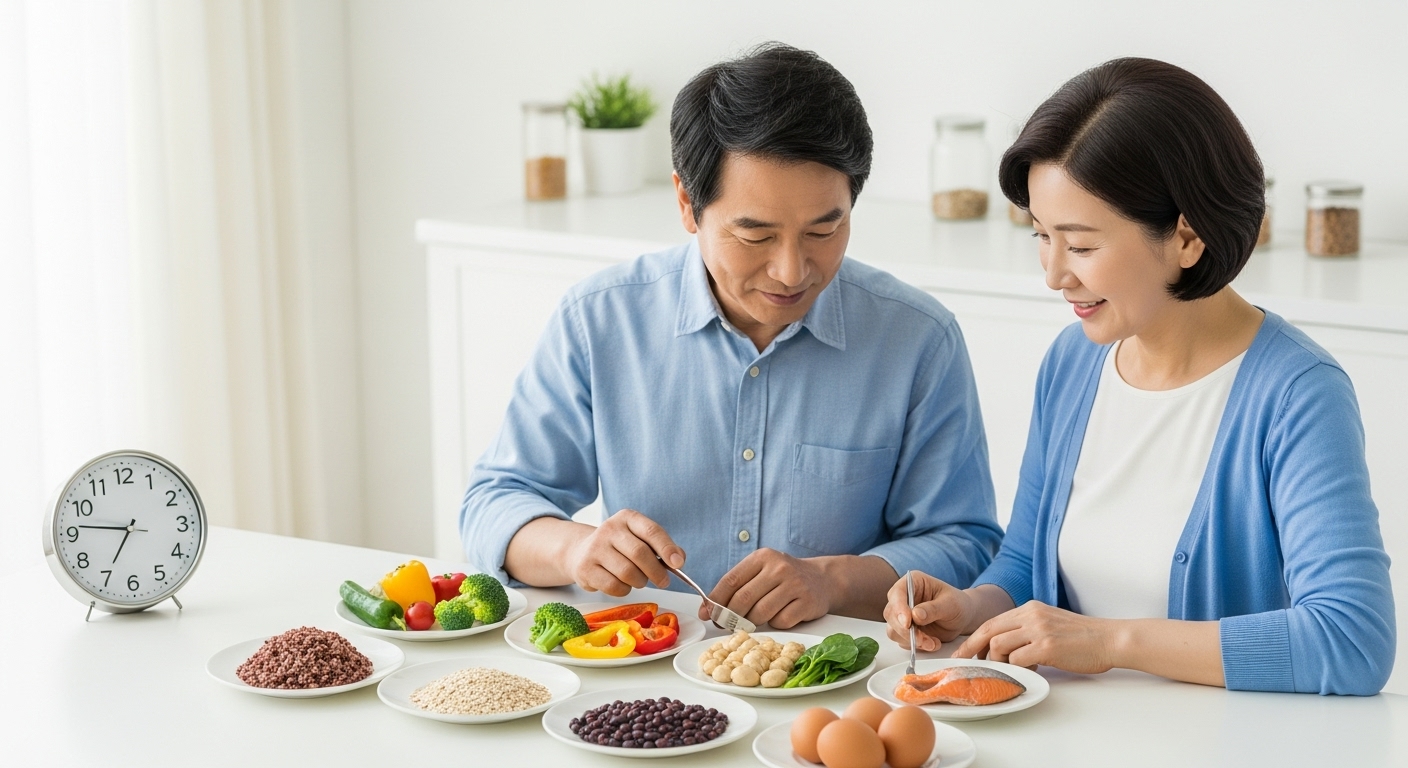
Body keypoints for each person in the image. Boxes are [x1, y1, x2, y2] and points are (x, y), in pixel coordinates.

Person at [884, 58, 1395, 694]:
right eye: (1042, 236)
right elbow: (1024, 563)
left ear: (1187, 237)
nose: (1054, 274)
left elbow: (1351, 640)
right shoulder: (1073, 363)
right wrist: (971, 606)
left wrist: (1110, 642)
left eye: (1081, 245)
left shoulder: (1297, 395)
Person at [461, 43, 1003, 628]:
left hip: (834, 668)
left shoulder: (919, 339)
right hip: (647, 661)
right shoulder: (600, 320)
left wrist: (834, 581)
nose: (791, 271)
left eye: (824, 230)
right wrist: (574, 549)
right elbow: (494, 505)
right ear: (686, 204)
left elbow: (966, 543)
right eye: (755, 236)